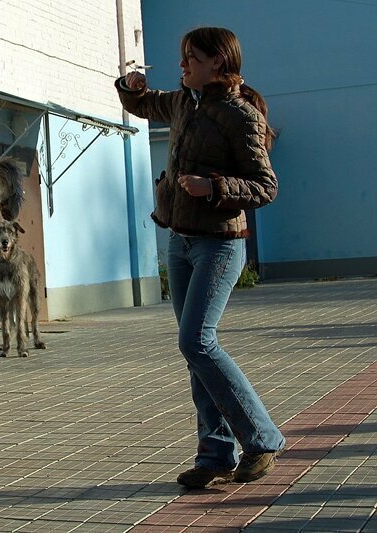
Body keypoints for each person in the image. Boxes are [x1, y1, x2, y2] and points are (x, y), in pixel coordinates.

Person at [116, 27, 285, 489]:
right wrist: (130, 90)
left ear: (218, 62)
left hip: (220, 243)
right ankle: (214, 455)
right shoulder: (182, 103)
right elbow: (142, 105)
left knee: (198, 342)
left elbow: (265, 187)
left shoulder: (240, 115)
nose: (183, 65)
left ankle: (263, 438)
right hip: (181, 241)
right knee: (196, 354)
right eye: (182, 58)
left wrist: (214, 188)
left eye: (192, 58)